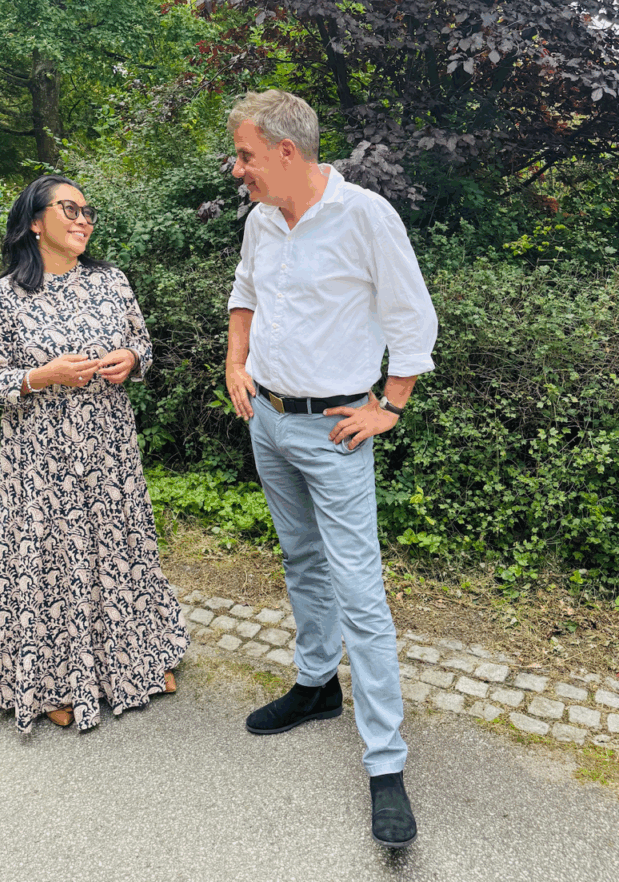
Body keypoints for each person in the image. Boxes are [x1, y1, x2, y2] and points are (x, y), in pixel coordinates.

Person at [225, 91, 438, 848]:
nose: (237, 168)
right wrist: (236, 363)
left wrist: (391, 405)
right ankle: (316, 685)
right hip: (269, 420)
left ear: (286, 152)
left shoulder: (365, 216)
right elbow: (245, 293)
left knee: (358, 588)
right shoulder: (260, 219)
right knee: (301, 559)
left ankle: (385, 762)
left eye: (246, 155)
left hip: (336, 430)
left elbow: (412, 317)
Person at [0, 174, 188, 732]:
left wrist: (130, 360)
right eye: (70, 209)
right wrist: (42, 376)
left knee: (119, 549)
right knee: (51, 562)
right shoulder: (1, 297)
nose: (84, 220)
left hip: (109, 450)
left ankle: (137, 662)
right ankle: (51, 684)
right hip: (42, 457)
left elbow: (143, 346)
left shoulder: (111, 282)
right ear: (35, 222)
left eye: (88, 211)